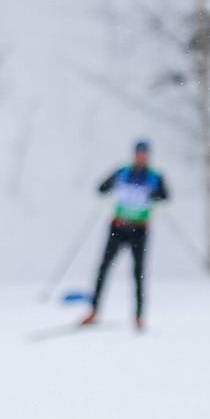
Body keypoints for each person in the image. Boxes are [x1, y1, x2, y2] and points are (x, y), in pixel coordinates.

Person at [85, 141, 167, 330]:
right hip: (118, 227)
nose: (141, 157)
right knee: (103, 268)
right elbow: (101, 188)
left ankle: (139, 317)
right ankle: (93, 311)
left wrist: (154, 194)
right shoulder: (122, 172)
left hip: (139, 229)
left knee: (138, 273)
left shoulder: (154, 176)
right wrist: (112, 186)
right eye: (139, 154)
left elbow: (165, 195)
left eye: (144, 154)